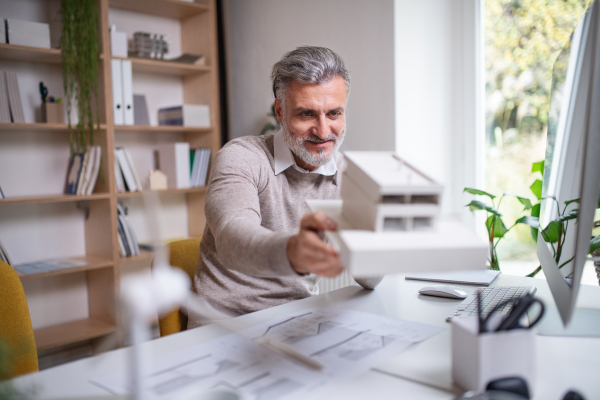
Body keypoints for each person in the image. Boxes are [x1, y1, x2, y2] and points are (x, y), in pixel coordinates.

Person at [188, 46, 382, 329]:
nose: (324, 131)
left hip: (296, 320)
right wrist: (293, 252)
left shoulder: (350, 177)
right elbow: (232, 239)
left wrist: (377, 230)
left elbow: (371, 280)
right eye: (306, 114)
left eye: (334, 113)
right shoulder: (242, 156)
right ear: (280, 111)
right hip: (223, 322)